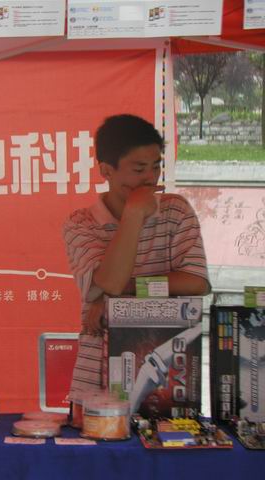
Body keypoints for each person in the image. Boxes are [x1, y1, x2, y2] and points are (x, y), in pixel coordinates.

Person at [63, 114, 210, 398]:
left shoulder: (176, 211)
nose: (150, 178)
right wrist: (133, 214)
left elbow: (195, 282)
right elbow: (111, 282)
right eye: (139, 169)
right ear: (107, 171)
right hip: (96, 374)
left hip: (168, 373)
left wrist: (123, 295)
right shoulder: (81, 224)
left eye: (156, 166)